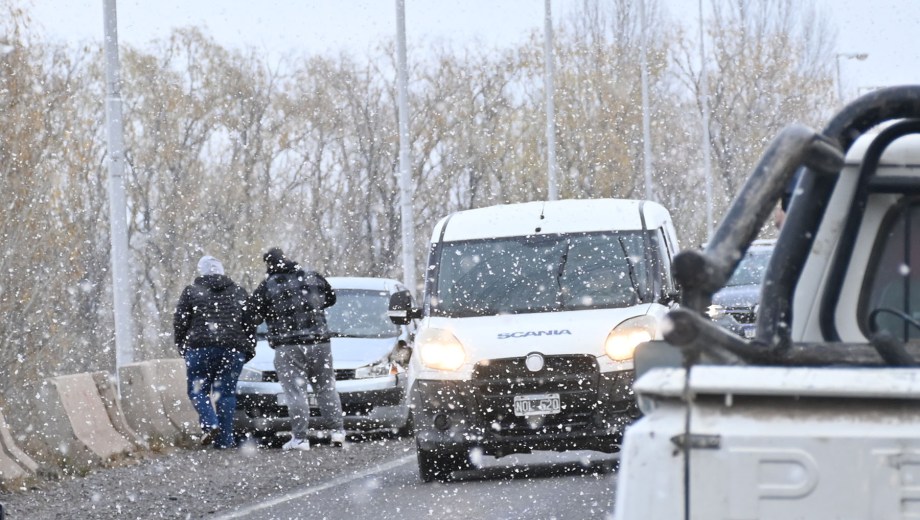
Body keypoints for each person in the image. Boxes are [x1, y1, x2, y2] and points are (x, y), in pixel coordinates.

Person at [249, 247, 345, 451]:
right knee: (326, 387)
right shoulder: (312, 276)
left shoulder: (268, 285)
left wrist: (272, 315)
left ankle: (301, 439)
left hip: (288, 345)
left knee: (295, 392)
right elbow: (331, 298)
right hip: (320, 342)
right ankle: (337, 432)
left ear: (269, 264)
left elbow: (253, 312)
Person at [173, 255, 256, 449]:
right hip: (232, 349)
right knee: (226, 394)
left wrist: (182, 346)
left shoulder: (191, 292)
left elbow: (180, 321)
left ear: (201, 271)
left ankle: (210, 424)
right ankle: (225, 441)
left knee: (198, 390)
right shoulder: (238, 292)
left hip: (200, 349)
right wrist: (247, 348)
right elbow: (250, 322)